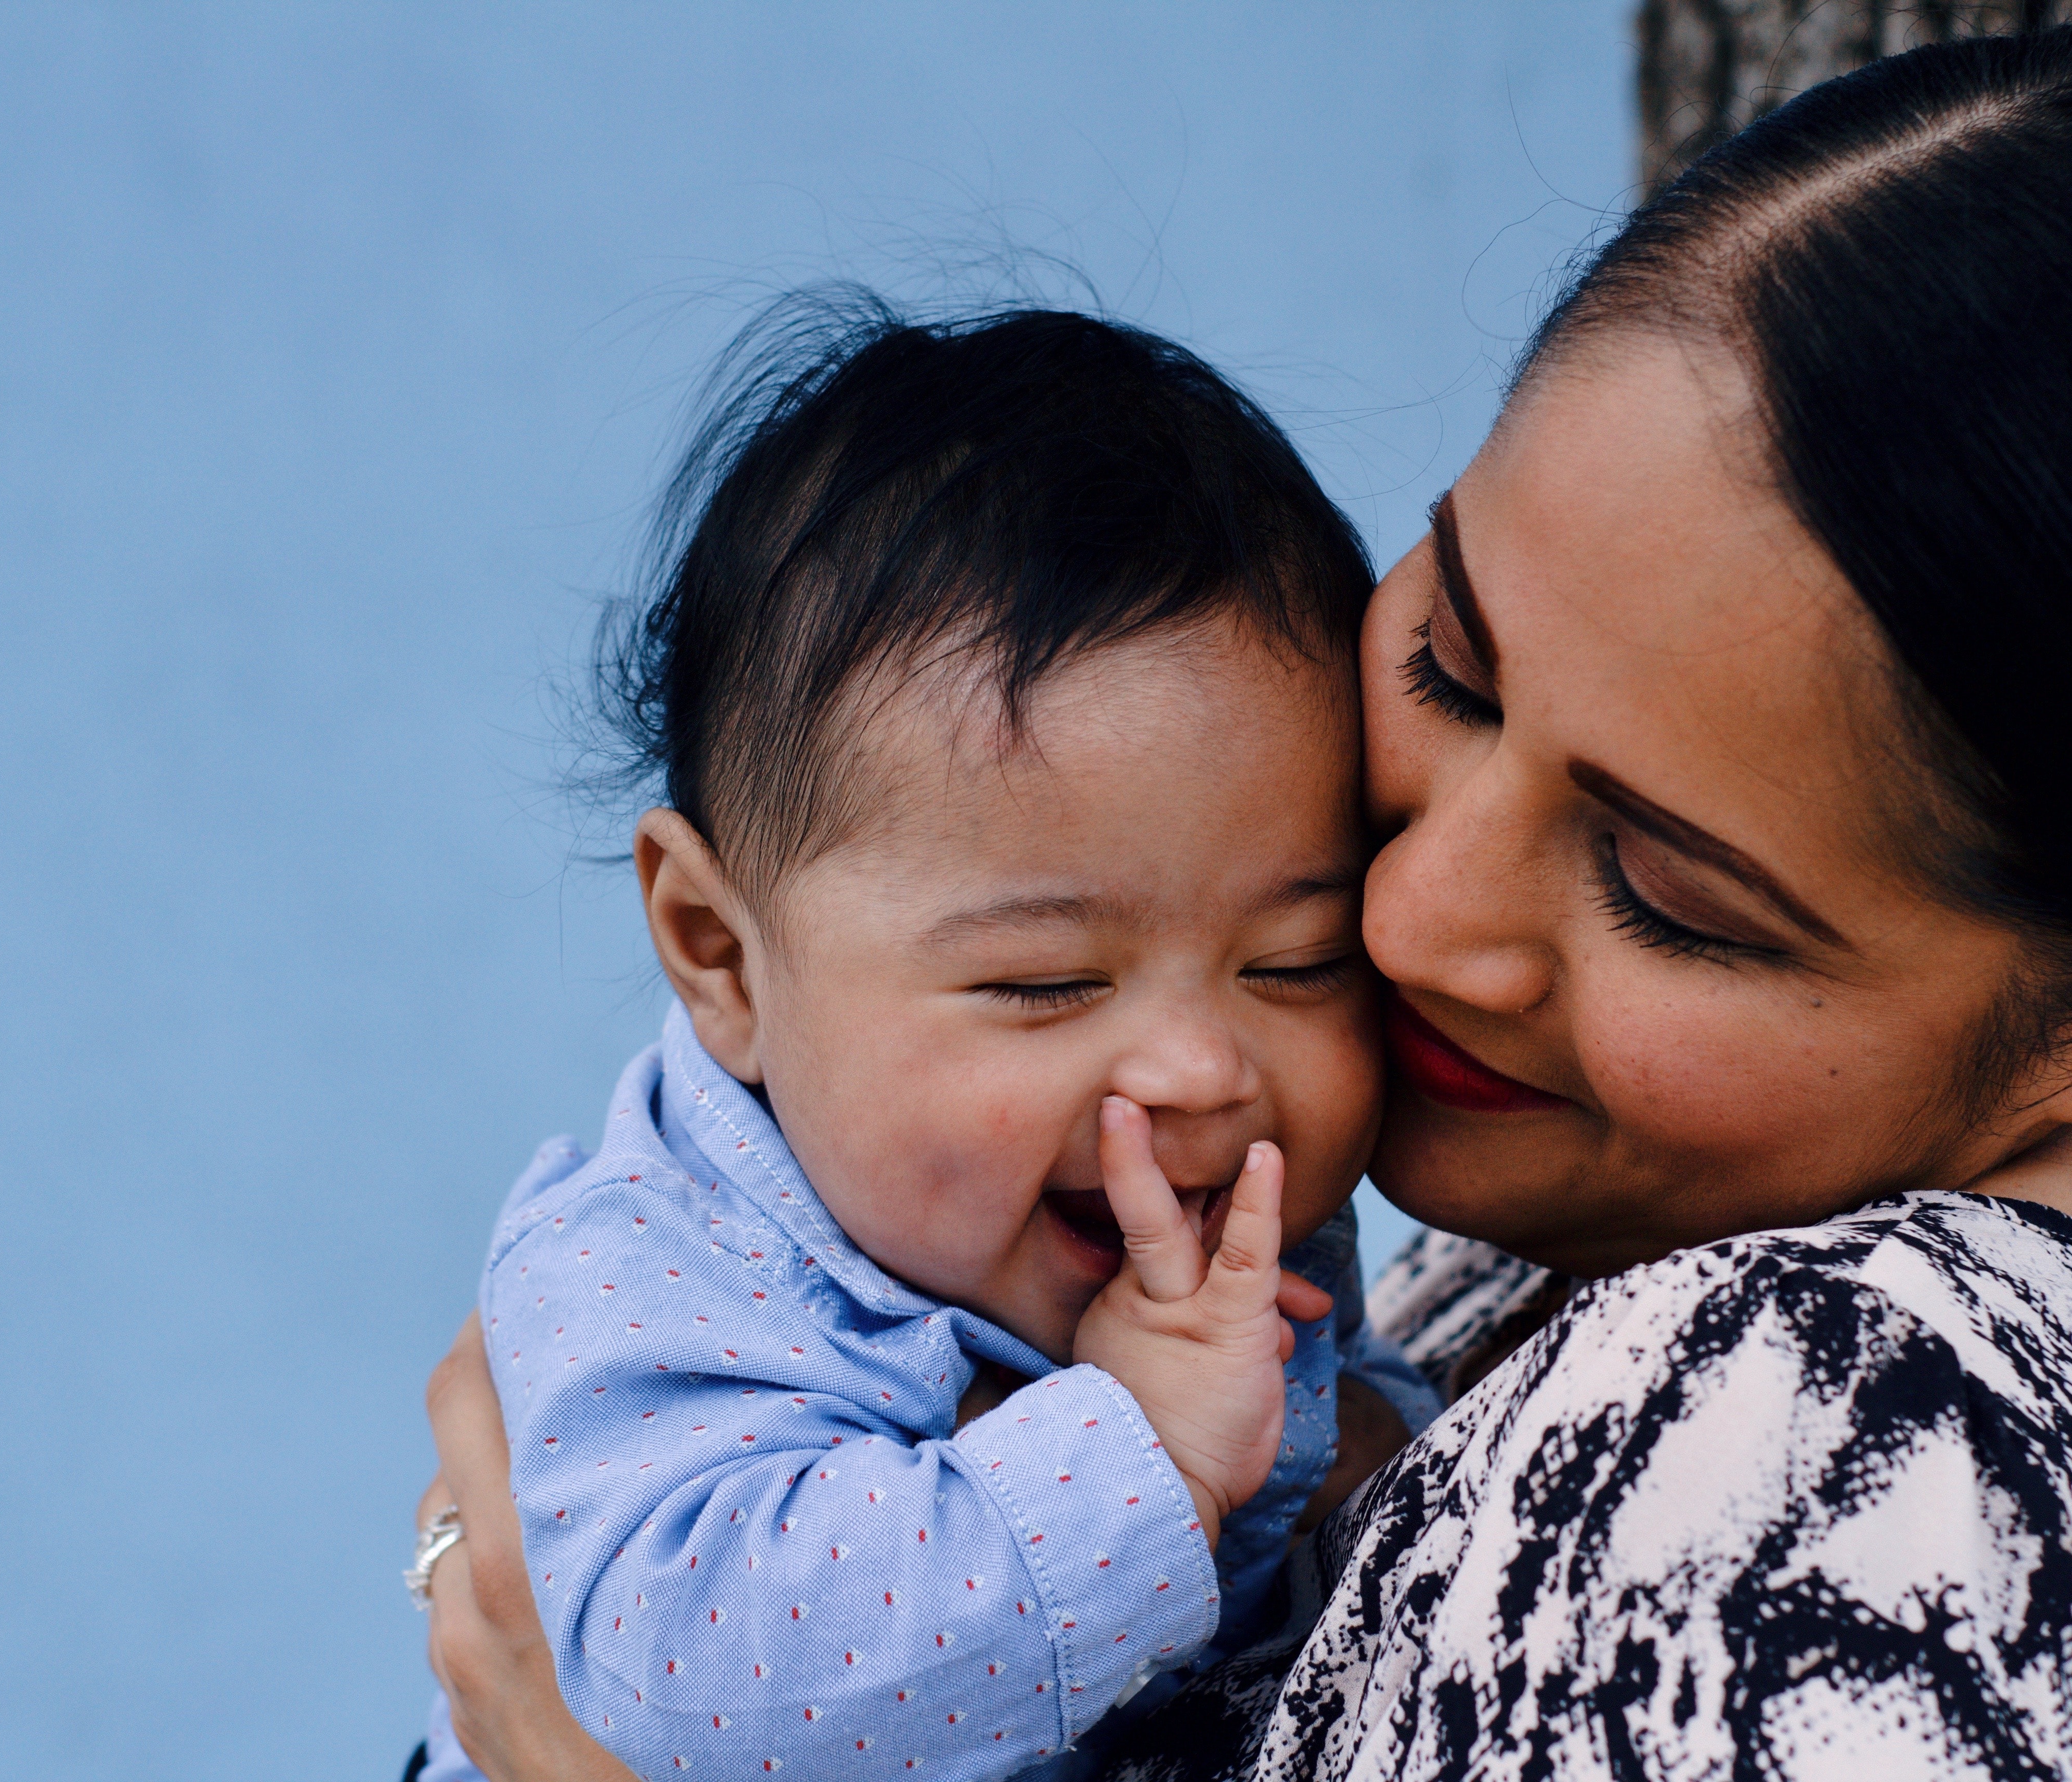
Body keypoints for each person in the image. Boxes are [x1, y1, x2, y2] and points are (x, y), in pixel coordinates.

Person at [419, 22, 2072, 1778]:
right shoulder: (1626, 1213)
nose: (1407, 920)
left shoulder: (1903, 1501)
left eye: (1663, 887)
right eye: (1452, 660)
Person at [406, 302, 1440, 1782]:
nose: (1207, 1069)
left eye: (1298, 959)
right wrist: (1133, 1455)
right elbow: (692, 1682)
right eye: (1044, 983)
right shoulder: (641, 1269)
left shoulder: (1208, 1215)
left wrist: (1348, 1467)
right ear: (720, 954)